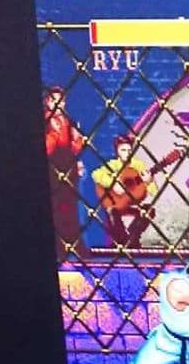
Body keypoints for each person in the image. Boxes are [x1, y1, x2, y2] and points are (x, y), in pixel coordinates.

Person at [92, 135, 157, 248]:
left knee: (149, 210)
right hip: (115, 205)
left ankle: (131, 238)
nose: (127, 153)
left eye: (129, 150)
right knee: (112, 211)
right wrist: (113, 183)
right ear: (117, 151)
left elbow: (154, 192)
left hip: (131, 205)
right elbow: (96, 174)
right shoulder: (113, 165)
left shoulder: (139, 166)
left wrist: (149, 181)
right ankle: (121, 240)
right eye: (123, 150)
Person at [44, 86, 85, 258]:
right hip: (52, 169)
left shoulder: (69, 121)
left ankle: (74, 244)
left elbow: (75, 147)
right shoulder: (45, 121)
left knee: (71, 208)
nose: (58, 104)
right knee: (56, 208)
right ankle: (58, 247)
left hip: (69, 168)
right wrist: (54, 134)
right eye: (54, 100)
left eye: (61, 101)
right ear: (48, 102)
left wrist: (78, 142)